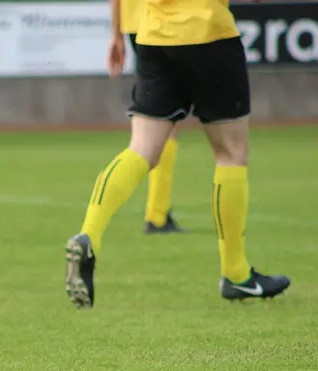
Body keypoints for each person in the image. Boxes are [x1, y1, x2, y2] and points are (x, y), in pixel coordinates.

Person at [64, 0, 291, 308]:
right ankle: (236, 274)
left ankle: (89, 234)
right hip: (208, 33)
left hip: (154, 36)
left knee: (141, 149)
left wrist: (116, 33)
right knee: (231, 154)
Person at [120, 0, 184, 234]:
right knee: (167, 120)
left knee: (157, 120)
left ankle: (158, 211)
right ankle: (157, 214)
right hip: (162, 22)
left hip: (133, 23)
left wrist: (115, 34)